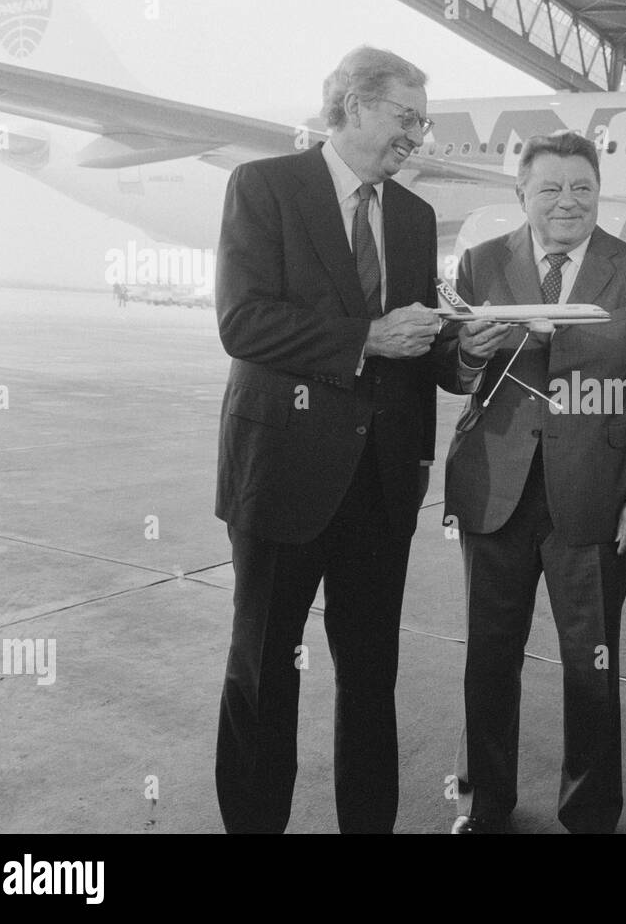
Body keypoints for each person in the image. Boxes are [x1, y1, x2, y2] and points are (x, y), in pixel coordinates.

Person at [212, 45, 499, 833]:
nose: (417, 135)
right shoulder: (266, 186)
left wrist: (463, 351)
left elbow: (415, 345)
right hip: (282, 474)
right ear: (353, 105)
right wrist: (367, 337)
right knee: (265, 669)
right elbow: (242, 321)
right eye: (406, 117)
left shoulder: (412, 215)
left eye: (422, 120)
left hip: (380, 482)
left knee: (372, 676)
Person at [441, 131, 626, 834]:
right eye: (549, 187)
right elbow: (452, 373)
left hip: (598, 497)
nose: (566, 200)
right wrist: (466, 353)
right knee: (489, 658)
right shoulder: (482, 262)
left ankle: (592, 811)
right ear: (521, 194)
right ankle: (486, 805)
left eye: (582, 187)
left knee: (592, 663)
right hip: (497, 490)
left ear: (600, 193)